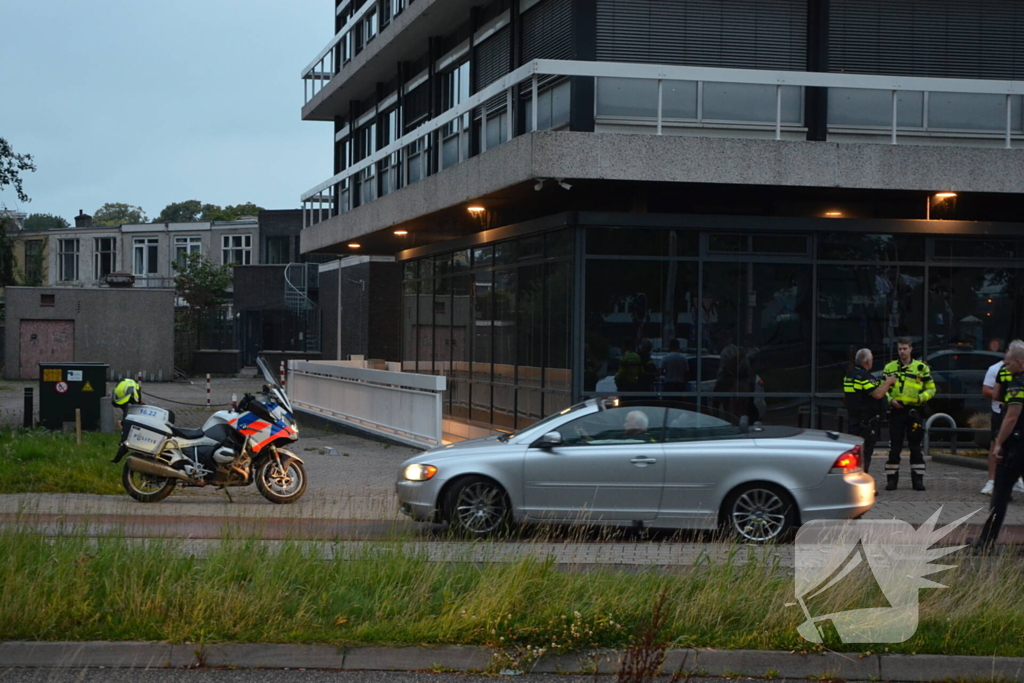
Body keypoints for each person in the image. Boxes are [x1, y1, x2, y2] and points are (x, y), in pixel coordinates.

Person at [972, 345, 1024, 552]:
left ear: (1019, 363)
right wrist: (1003, 377)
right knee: (1000, 495)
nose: (1005, 366)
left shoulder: (1018, 384)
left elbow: (1011, 416)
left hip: (1016, 446)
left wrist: (999, 442)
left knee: (1000, 495)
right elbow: (997, 396)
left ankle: (986, 543)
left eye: (1009, 363)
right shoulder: (1012, 379)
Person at [882, 338, 936, 491]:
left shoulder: (921, 368)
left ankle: (917, 480)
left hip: (914, 412)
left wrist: (921, 398)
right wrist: (891, 400)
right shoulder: (890, 368)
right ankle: (892, 480)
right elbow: (881, 389)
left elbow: (931, 389)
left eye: (905, 348)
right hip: (896, 412)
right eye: (900, 349)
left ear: (911, 349)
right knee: (894, 448)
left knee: (915, 447)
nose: (902, 352)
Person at [843, 348, 897, 476]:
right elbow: (877, 394)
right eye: (871, 359)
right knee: (865, 454)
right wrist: (888, 382)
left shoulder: (849, 375)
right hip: (865, 422)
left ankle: (853, 479)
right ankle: (861, 482)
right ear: (867, 361)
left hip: (854, 420)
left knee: (855, 453)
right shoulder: (864, 377)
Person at [982, 339, 1024, 495]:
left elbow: (997, 393)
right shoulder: (997, 370)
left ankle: (1010, 483)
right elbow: (990, 392)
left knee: (1005, 450)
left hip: (1011, 414)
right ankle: (993, 482)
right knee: (998, 447)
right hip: (1003, 413)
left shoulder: (1007, 373)